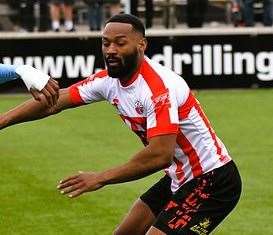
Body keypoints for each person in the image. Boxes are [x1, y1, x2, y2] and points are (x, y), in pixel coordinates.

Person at [0, 14, 242, 234]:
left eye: (120, 42)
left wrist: (100, 178)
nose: (111, 50)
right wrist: (3, 121)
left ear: (141, 45)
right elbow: (54, 102)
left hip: (212, 181)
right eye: (106, 43)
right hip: (179, 177)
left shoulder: (159, 88)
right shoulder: (107, 81)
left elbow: (160, 155)